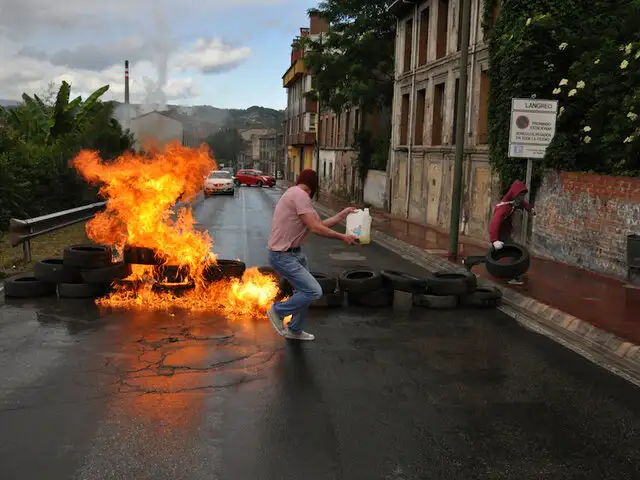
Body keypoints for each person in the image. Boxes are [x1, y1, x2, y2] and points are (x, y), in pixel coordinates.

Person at [266, 169, 359, 341]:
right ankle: (277, 311)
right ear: (312, 187)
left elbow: (319, 224)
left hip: (295, 254)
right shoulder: (299, 195)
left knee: (304, 291)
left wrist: (343, 214)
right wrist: (342, 237)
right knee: (313, 291)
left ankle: (294, 330)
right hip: (282, 255)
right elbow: (316, 229)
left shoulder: (296, 194)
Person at [488, 179, 535, 286]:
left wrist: (529, 208)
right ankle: (514, 276)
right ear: (514, 194)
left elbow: (521, 204)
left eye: (522, 196)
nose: (521, 198)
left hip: (505, 233)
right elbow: (494, 224)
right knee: (516, 253)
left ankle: (500, 271)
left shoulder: (513, 202)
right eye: (520, 196)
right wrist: (495, 240)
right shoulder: (504, 208)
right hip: (500, 234)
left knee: (499, 254)